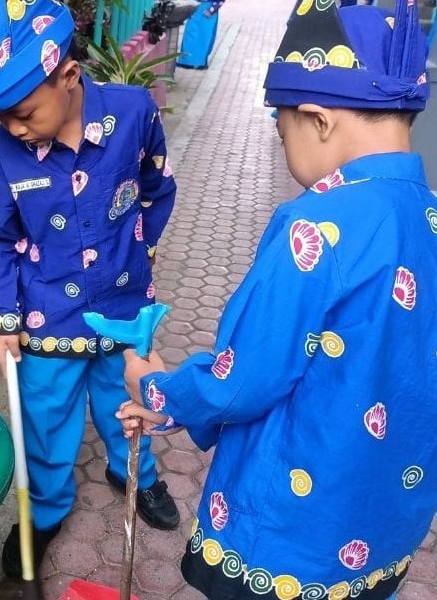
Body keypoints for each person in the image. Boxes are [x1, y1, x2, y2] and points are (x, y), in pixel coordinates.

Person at [117, 1, 434, 599]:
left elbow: (243, 381)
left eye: (280, 127)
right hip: (386, 525)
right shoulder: (430, 217)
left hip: (291, 537)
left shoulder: (314, 227)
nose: (283, 141)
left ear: (317, 119)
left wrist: (157, 388)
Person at [0, 0, 180, 580]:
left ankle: (135, 476)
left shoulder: (134, 114)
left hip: (124, 307)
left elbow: (157, 187)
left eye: (23, 113)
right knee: (46, 423)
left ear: (69, 75)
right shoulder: (3, 153)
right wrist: (4, 318)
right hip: (47, 318)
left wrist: (140, 251)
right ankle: (46, 510)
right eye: (1, 118)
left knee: (127, 401)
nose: (13, 128)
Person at [176, 0, 225, 69]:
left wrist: (212, 9)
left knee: (203, 36)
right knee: (190, 33)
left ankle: (198, 62)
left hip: (207, 8)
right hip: (196, 6)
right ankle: (186, 61)